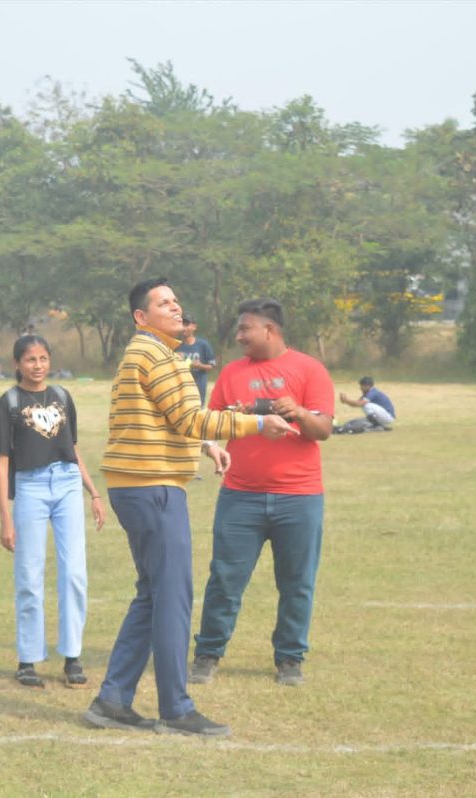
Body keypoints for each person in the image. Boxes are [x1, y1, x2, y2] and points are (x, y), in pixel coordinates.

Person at [83, 277, 296, 738]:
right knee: (173, 597)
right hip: (152, 488)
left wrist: (204, 445)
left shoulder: (150, 354)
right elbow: (188, 417)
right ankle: (176, 709)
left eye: (176, 301)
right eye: (164, 303)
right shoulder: (154, 355)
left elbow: (160, 420)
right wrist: (257, 422)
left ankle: (112, 700)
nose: (176, 308)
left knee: (153, 594)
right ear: (141, 317)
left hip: (138, 485)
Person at [189, 298, 334, 688]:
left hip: (299, 497)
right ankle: (208, 653)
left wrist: (298, 412)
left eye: (245, 329)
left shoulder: (310, 369)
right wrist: (215, 440)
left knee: (297, 582)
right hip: (241, 496)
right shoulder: (232, 373)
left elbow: (323, 430)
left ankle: (290, 658)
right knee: (225, 579)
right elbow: (209, 424)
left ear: (269, 330)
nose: (239, 336)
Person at [0, 335, 106, 689]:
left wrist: (94, 492)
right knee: (29, 575)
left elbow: (73, 450)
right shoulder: (9, 402)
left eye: (43, 358)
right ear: (17, 364)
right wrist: (5, 519)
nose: (38, 366)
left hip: (67, 483)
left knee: (74, 573)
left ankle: (72, 656)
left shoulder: (62, 397)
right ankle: (28, 659)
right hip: (31, 486)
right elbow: (2, 463)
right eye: (30, 360)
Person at [176, 314, 216, 405]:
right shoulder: (176, 345)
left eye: (186, 324)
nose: (184, 328)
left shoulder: (203, 345)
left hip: (198, 389)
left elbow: (212, 366)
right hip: (181, 390)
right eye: (182, 324)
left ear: (194, 327)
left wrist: (199, 365)